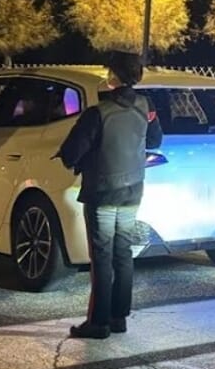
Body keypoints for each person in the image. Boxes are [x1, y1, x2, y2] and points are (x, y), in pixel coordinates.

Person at [56, 52, 163, 339]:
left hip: (102, 192)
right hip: (133, 190)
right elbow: (155, 140)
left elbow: (70, 153)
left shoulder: (98, 112)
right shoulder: (145, 105)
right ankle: (119, 318)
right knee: (123, 253)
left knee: (102, 257)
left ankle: (98, 322)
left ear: (113, 75)